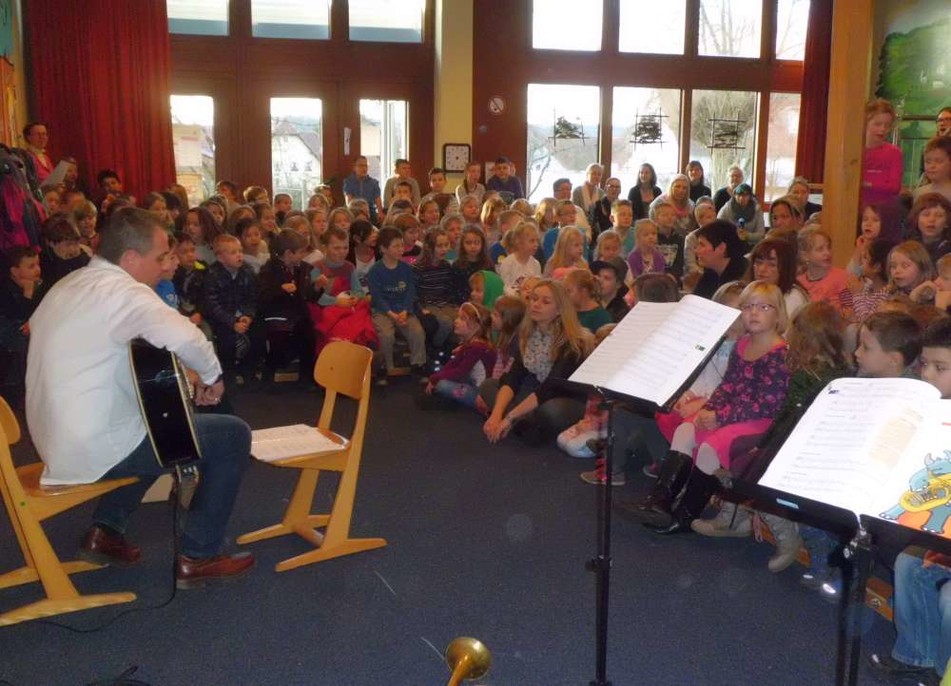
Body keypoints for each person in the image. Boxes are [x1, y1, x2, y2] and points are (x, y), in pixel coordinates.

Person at [25, 207, 255, 587]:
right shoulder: (124, 292)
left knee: (154, 428)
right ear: (131, 258)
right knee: (232, 435)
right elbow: (187, 337)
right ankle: (199, 555)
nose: (167, 266)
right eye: (161, 256)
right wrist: (213, 378)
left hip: (55, 438)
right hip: (92, 446)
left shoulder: (70, 283)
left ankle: (106, 531)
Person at [867, 318, 951, 686]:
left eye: (940, 368)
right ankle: (917, 656)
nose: (928, 375)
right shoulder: (933, 410)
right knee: (908, 563)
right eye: (925, 365)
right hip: (942, 530)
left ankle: (943, 670)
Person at [481, 279, 590, 446]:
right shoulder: (528, 334)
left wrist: (508, 417)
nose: (536, 304)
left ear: (560, 310)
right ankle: (524, 423)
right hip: (536, 392)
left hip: (566, 399)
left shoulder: (574, 342)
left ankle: (519, 422)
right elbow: (513, 377)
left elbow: (550, 388)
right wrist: (496, 414)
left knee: (552, 411)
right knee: (489, 385)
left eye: (545, 302)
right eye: (533, 298)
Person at [258, 229, 322, 387]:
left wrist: (317, 288)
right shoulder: (269, 270)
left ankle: (306, 377)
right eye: (300, 252)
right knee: (281, 339)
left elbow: (307, 296)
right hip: (276, 315)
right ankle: (270, 371)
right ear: (288, 253)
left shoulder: (303, 269)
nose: (302, 256)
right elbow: (262, 296)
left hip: (298, 315)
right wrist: (280, 289)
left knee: (308, 335)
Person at [203, 233, 264, 387]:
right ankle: (228, 375)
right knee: (227, 341)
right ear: (220, 257)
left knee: (258, 335)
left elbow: (252, 297)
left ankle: (248, 371)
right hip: (222, 319)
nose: (239, 255)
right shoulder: (212, 274)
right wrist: (232, 322)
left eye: (240, 251)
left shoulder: (247, 271)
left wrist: (248, 316)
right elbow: (212, 306)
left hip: (242, 316)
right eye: (233, 252)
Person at [367, 226, 427, 380]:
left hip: (403, 309)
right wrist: (391, 314)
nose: (401, 249)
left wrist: (405, 311)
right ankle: (385, 367)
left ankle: (418, 364)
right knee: (386, 335)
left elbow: (410, 292)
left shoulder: (406, 268)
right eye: (396, 246)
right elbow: (377, 297)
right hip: (383, 311)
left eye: (401, 245)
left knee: (417, 332)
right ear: (383, 249)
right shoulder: (375, 271)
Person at [420, 302, 496, 410]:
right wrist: (436, 377)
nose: (456, 321)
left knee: (442, 385)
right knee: (442, 375)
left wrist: (434, 379)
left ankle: (481, 406)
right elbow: (454, 363)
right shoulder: (471, 343)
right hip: (473, 381)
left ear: (476, 325)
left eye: (462, 319)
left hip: (482, 394)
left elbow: (460, 372)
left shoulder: (477, 347)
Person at [744, 238, 809, 323]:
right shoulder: (748, 292)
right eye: (758, 263)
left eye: (772, 265)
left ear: (785, 268)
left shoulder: (793, 297)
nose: (762, 269)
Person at [796, 226, 855, 314]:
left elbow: (851, 309)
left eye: (828, 247)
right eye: (820, 249)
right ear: (805, 256)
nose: (827, 253)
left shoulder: (842, 277)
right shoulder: (799, 282)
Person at [862, 98, 904, 209]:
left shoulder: (895, 153)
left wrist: (868, 184)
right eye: (877, 124)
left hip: (883, 211)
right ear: (866, 123)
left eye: (887, 125)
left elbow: (895, 187)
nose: (882, 129)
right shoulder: (854, 152)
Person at [691, 219, 749, 299]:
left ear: (721, 247)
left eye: (702, 245)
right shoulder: (711, 273)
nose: (696, 250)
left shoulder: (742, 279)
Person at [498, 221, 541, 296]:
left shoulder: (536, 264)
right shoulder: (508, 263)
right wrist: (518, 294)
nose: (536, 244)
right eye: (532, 241)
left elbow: (537, 285)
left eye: (537, 241)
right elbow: (504, 287)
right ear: (520, 243)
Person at [563, 268, 612, 333]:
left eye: (569, 291)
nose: (565, 295)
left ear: (584, 291)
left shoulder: (601, 317)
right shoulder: (566, 312)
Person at [343, 156, 384, 224]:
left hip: (370, 212)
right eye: (361, 166)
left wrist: (380, 213)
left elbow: (378, 200)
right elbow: (348, 202)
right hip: (354, 211)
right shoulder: (348, 182)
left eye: (366, 166)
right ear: (354, 167)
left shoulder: (374, 183)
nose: (364, 168)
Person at [591, 257, 630, 323]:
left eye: (607, 278)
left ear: (618, 284)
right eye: (599, 276)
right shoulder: (591, 303)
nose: (600, 281)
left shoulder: (622, 311)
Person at [22, 122, 54, 189]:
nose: (42, 137)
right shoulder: (26, 157)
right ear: (29, 137)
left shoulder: (46, 157)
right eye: (38, 134)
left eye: (44, 134)